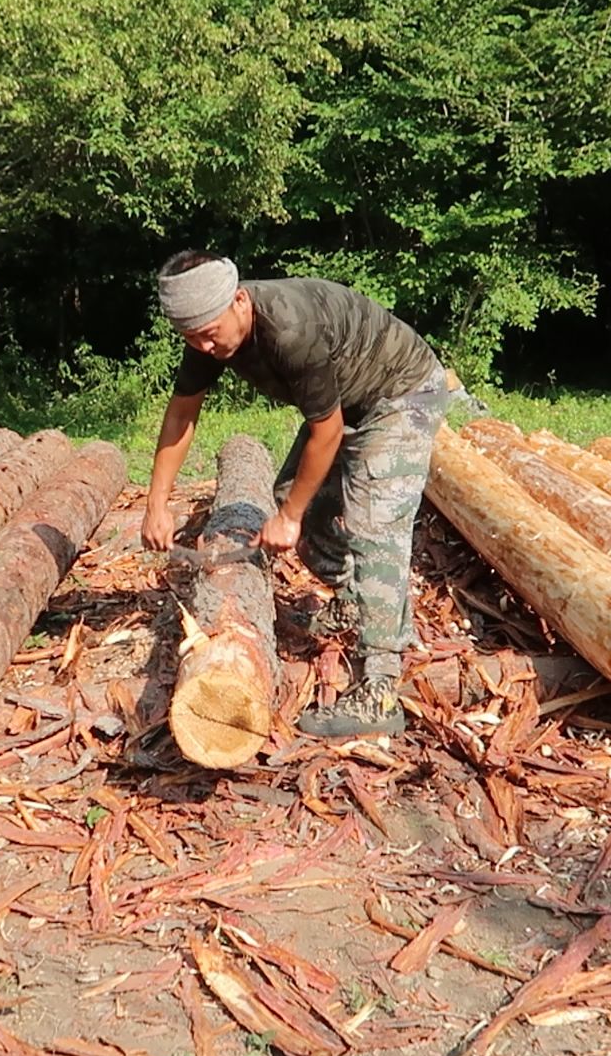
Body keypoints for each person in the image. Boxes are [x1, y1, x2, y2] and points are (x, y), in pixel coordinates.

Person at [140, 250, 450, 738]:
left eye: (209, 331)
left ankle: (381, 690)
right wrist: (157, 503)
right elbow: (182, 414)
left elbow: (327, 431)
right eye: (191, 336)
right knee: (292, 497)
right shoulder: (206, 335)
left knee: (374, 523)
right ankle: (355, 596)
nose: (203, 344)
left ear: (239, 300)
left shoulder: (288, 328)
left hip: (403, 391)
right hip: (349, 399)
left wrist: (289, 516)